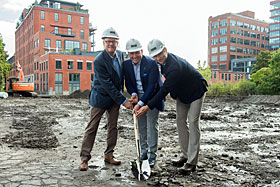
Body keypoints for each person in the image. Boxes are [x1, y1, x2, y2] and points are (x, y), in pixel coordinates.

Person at [136, 39, 208, 173]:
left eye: (159, 54)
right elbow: (169, 86)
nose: (157, 58)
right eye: (155, 56)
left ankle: (192, 162)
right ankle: (185, 155)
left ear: (165, 50)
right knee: (180, 121)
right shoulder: (163, 63)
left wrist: (147, 106)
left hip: (196, 91)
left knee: (193, 122)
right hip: (183, 94)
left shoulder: (174, 66)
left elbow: (164, 90)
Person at [79, 27, 133, 171]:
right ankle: (84, 158)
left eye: (113, 41)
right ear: (103, 43)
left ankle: (109, 155)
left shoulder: (121, 55)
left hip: (114, 100)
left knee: (113, 127)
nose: (111, 44)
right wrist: (124, 101)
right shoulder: (99, 61)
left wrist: (132, 93)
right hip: (100, 98)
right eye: (108, 41)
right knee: (92, 127)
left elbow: (125, 76)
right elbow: (108, 85)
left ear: (117, 43)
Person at [123, 38, 164, 168]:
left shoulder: (151, 63)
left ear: (141, 51)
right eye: (131, 53)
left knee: (151, 125)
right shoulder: (126, 65)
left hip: (152, 97)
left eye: (137, 52)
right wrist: (133, 94)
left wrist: (141, 103)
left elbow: (152, 87)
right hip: (138, 98)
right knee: (141, 126)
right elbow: (129, 83)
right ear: (128, 53)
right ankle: (143, 153)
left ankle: (152, 156)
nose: (134, 56)